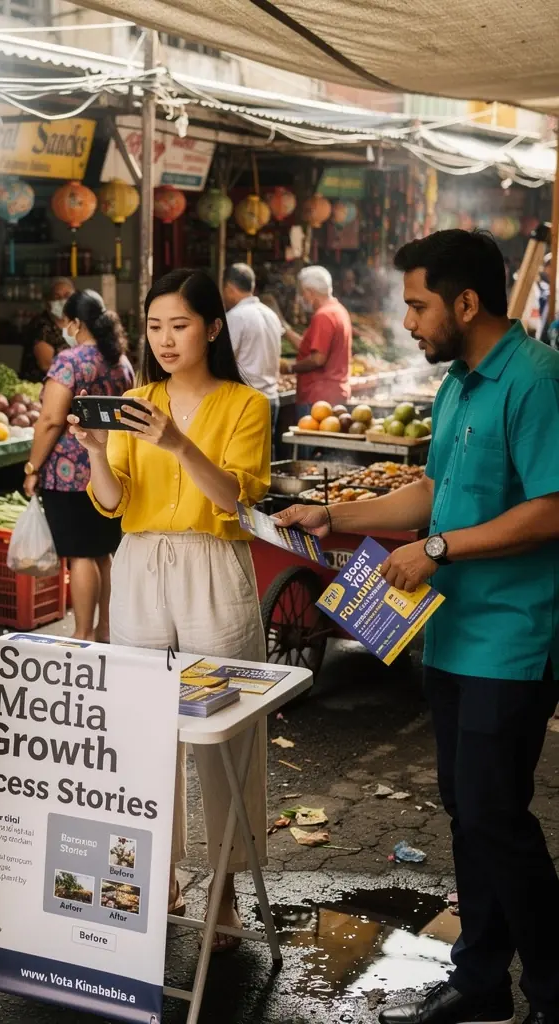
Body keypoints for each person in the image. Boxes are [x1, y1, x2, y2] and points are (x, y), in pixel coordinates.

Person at [276, 229, 559, 1024]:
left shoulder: (536, 381)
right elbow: (429, 492)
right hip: (450, 635)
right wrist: (333, 514)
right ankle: (480, 982)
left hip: (513, 639)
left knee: (497, 817)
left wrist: (437, 550)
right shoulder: (459, 385)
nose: (407, 321)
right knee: (468, 811)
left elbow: (552, 508)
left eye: (419, 304)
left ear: (467, 303)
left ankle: (550, 987)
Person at [72, 268, 271, 952]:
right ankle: (155, 880)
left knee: (227, 736)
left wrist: (178, 443)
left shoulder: (246, 406)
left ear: (213, 328)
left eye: (179, 325)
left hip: (212, 566)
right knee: (140, 732)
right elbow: (113, 502)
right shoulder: (133, 399)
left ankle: (225, 890)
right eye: (154, 326)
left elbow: (235, 500)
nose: (164, 339)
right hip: (139, 566)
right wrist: (98, 453)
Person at [23, 290, 134, 642]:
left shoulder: (70, 361)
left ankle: (82, 631)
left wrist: (32, 467)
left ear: (75, 323)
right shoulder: (121, 361)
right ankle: (104, 629)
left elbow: (52, 419)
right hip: (110, 469)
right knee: (102, 553)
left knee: (81, 556)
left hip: (70, 473)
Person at [280, 265, 353, 418]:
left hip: (318, 398)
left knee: (311, 441)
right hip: (332, 394)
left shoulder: (323, 316)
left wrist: (291, 368)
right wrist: (285, 331)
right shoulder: (338, 310)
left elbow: (318, 358)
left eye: (302, 293)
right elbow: (312, 348)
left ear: (310, 292)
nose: (301, 299)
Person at [222, 262, 283, 440]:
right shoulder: (271, 315)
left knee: (244, 461)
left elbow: (223, 361)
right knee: (266, 461)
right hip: (271, 398)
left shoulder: (235, 317)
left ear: (230, 288)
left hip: (247, 403)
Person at [19, 277, 75, 383]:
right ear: (48, 302)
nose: (63, 301)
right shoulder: (41, 326)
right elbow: (46, 365)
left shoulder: (76, 322)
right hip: (43, 386)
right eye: (57, 297)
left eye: (67, 296)